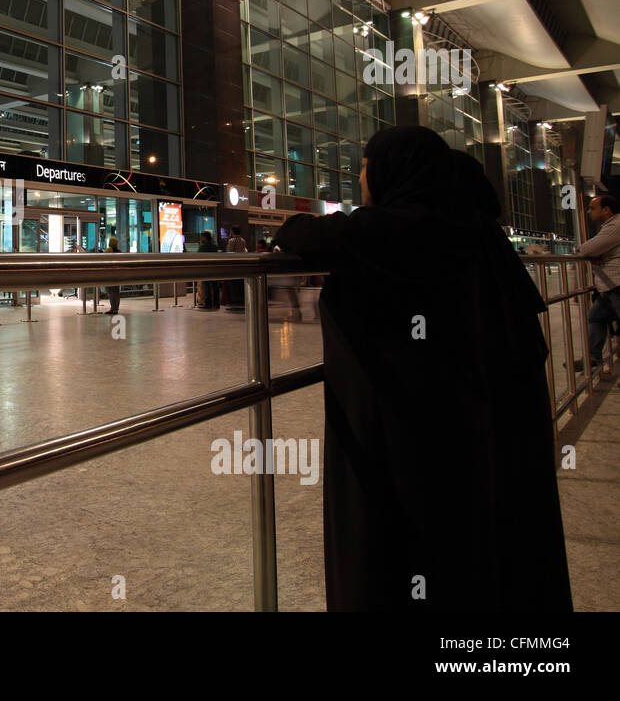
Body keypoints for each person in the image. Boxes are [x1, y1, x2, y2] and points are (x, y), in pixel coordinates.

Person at [272, 125, 571, 611]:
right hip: (486, 427)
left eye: (366, 166)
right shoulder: (472, 228)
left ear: (392, 170)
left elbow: (303, 232)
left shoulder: (406, 227)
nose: (361, 177)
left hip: (419, 436)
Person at [575, 194, 620, 372]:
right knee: (595, 316)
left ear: (606, 210)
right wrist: (598, 254)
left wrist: (592, 252)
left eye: (592, 208)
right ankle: (593, 357)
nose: (588, 211)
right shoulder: (611, 226)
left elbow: (587, 248)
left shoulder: (615, 226)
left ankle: (593, 357)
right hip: (610, 286)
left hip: (616, 283)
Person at [224, 224, 248, 310]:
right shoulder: (243, 240)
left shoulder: (232, 241)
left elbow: (229, 252)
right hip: (242, 264)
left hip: (233, 264)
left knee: (233, 284)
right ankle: (241, 300)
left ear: (233, 231)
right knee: (240, 283)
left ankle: (234, 301)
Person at [196, 231, 219, 309]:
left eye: (202, 237)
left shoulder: (202, 247)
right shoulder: (215, 246)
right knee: (215, 285)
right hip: (215, 269)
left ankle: (208, 303)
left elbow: (198, 256)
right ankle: (216, 303)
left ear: (204, 237)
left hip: (205, 268)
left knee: (206, 285)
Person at [103, 234, 121, 314]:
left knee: (110, 292)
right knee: (116, 292)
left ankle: (112, 308)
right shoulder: (119, 252)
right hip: (117, 274)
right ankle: (116, 308)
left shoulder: (108, 251)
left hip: (109, 274)